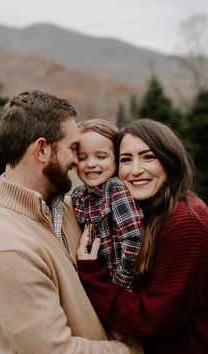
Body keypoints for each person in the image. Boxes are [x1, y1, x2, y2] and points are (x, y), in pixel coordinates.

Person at [0, 89, 138, 354]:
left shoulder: (69, 208)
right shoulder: (5, 248)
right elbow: (55, 350)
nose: (77, 161)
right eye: (73, 149)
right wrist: (131, 350)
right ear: (41, 149)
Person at [77, 118, 208, 354]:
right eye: (126, 160)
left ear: (170, 161)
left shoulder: (187, 221)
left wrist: (91, 273)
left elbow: (147, 319)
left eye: (148, 157)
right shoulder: (145, 213)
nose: (135, 170)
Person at [71, 119, 143, 290]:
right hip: (96, 283)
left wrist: (121, 282)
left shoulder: (115, 188)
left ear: (116, 158)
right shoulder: (78, 196)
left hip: (123, 288)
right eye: (82, 158)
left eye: (101, 156)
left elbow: (133, 238)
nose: (90, 164)